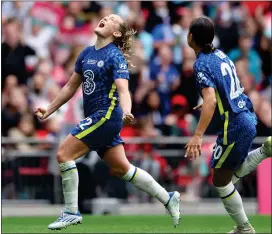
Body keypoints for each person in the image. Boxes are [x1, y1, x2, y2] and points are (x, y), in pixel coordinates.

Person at [34, 14, 180, 230]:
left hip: (106, 115)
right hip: (96, 117)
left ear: (117, 33)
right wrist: (50, 108)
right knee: (123, 168)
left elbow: (123, 90)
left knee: (64, 154)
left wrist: (127, 110)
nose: (105, 17)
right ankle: (167, 197)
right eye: (106, 16)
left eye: (112, 18)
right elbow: (69, 87)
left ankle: (71, 211)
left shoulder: (115, 56)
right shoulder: (86, 53)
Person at [185, 16, 271, 234]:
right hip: (247, 115)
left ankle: (244, 228)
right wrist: (208, 102)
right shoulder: (221, 55)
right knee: (225, 177)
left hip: (234, 125)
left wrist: (197, 135)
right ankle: (263, 151)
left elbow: (213, 100)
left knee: (221, 180)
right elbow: (224, 89)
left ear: (191, 37)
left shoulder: (201, 64)